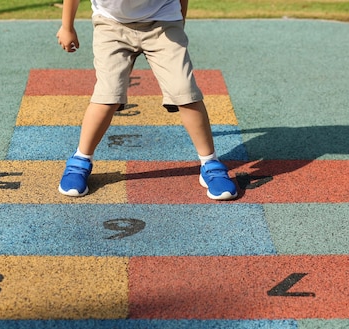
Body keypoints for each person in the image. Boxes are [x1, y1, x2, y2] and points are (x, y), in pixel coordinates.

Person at [56, 0, 238, 200]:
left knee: (184, 91)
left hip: (163, 22)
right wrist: (67, 27)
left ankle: (210, 163)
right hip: (111, 25)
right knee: (107, 94)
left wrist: (179, 23)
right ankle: (80, 159)